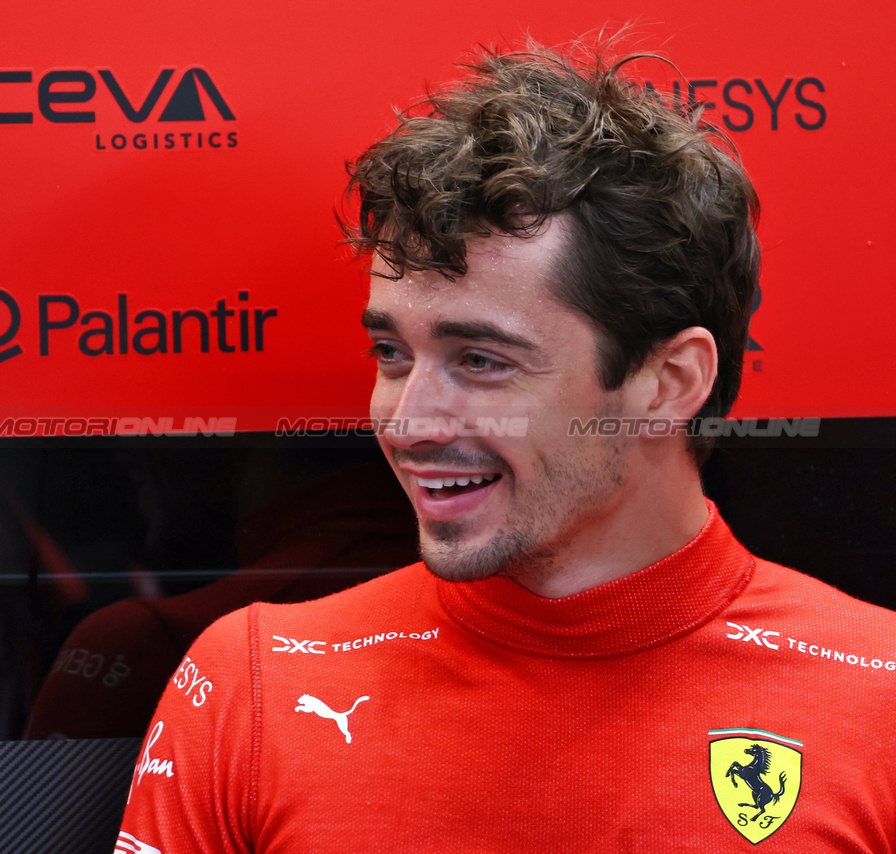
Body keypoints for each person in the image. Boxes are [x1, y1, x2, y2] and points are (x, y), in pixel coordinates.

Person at [113, 41, 896, 852]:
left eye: (481, 361)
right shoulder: (257, 687)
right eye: (392, 354)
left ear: (666, 384)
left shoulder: (877, 700)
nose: (409, 421)